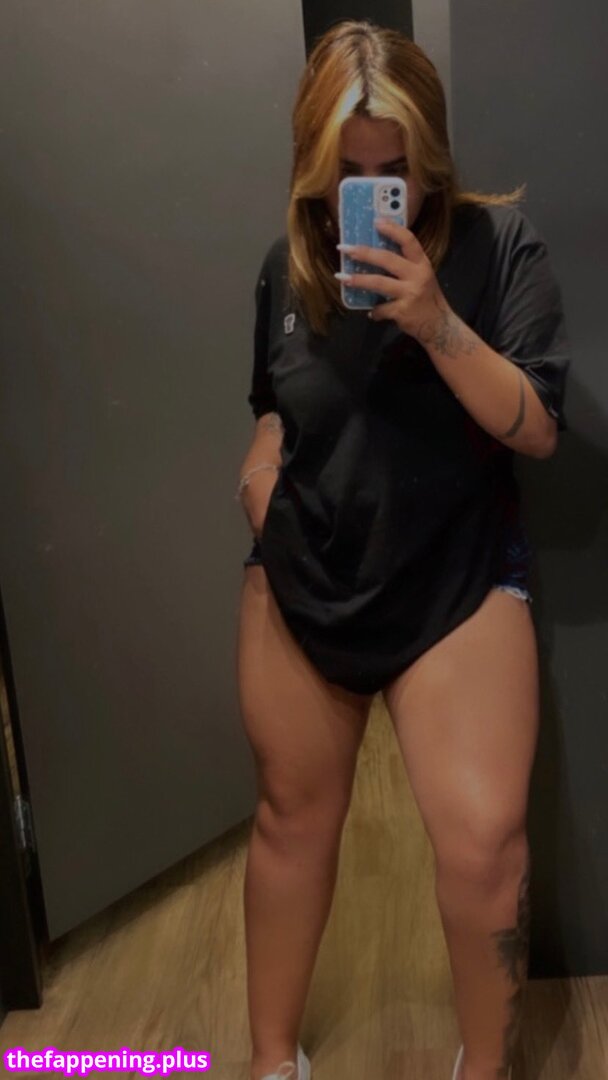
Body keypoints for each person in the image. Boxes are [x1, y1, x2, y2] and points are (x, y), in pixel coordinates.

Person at [235, 19, 570, 1080]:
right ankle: (269, 1059)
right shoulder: (287, 269)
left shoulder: (497, 248)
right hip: (306, 569)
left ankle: (487, 1067)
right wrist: (257, 477)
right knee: (290, 822)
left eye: (401, 171)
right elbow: (273, 409)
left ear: (432, 154)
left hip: (452, 578)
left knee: (484, 844)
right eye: (354, 175)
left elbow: (536, 428)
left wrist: (433, 321)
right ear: (314, 166)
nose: (382, 194)